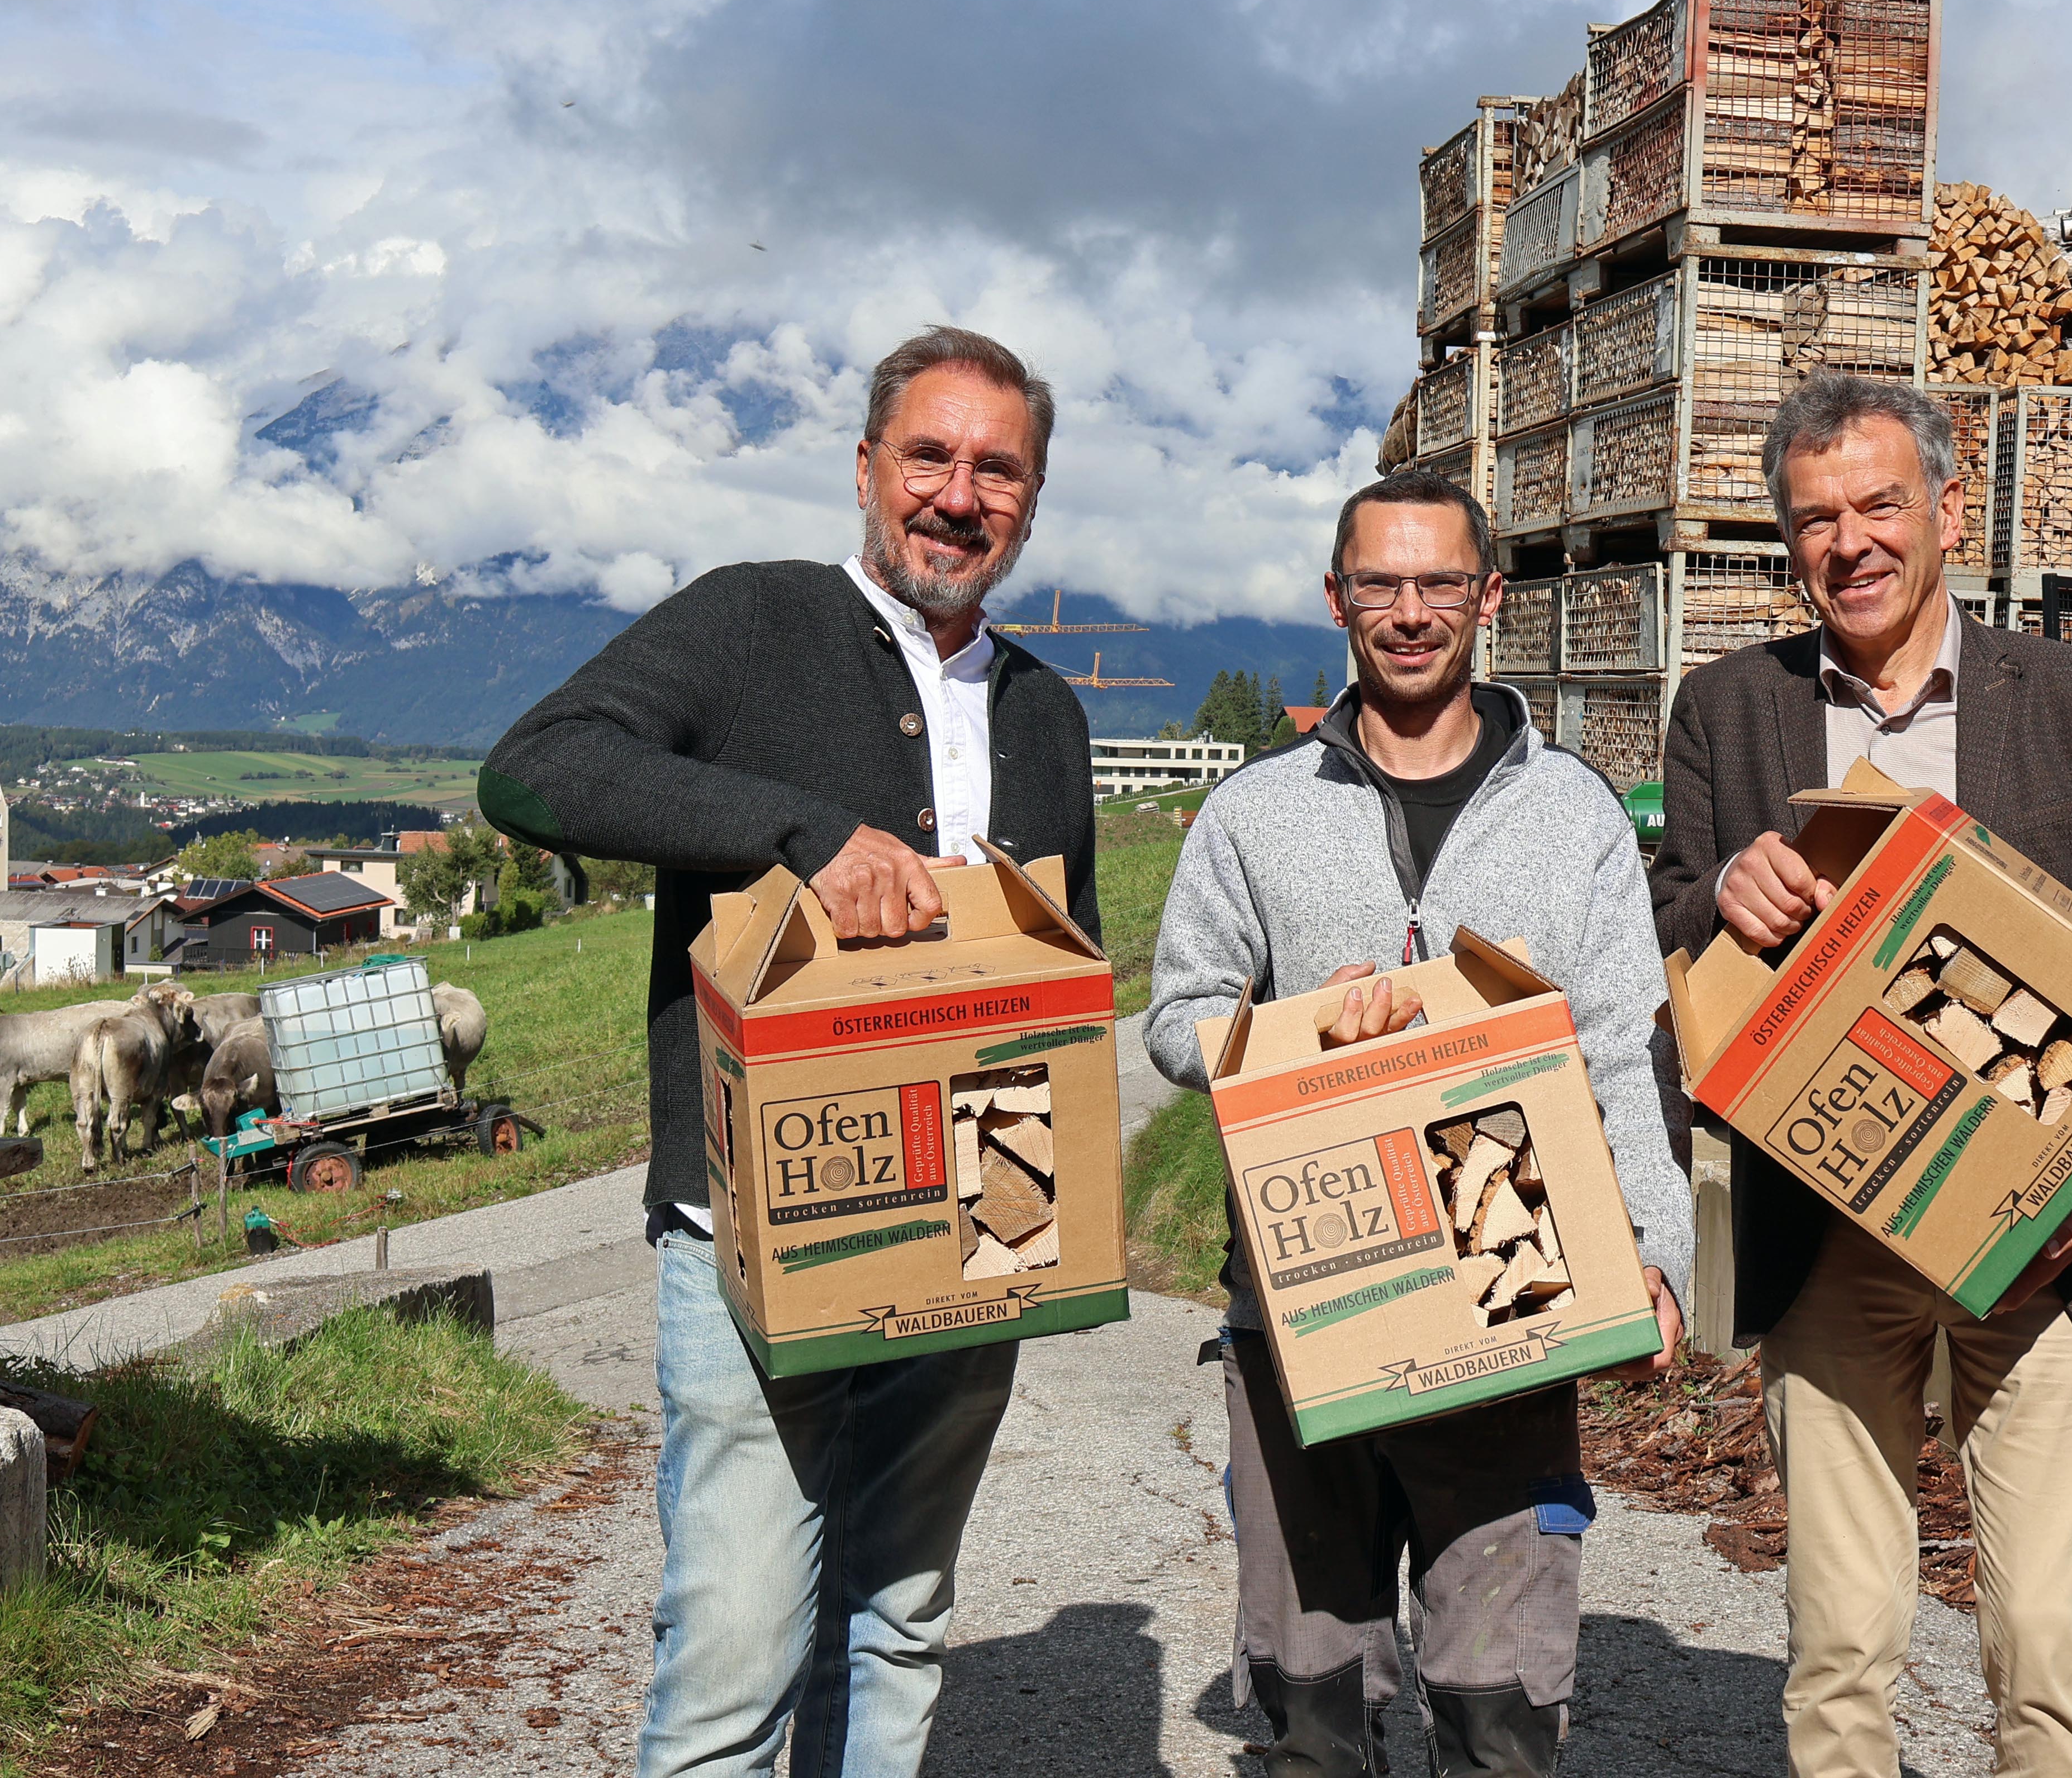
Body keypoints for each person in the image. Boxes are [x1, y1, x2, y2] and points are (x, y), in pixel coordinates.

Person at [479, 326, 1095, 1778]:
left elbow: (1067, 982)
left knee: (900, 1623)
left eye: (998, 469)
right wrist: (800, 833)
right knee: (734, 1655)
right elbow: (535, 768)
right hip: (753, 1230)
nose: (959, 496)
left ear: (1032, 496)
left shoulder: (1047, 713)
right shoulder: (754, 621)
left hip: (981, 1227)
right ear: (867, 467)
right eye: (929, 456)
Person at [1647, 372, 2072, 1778]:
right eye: (1815, 518)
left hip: (2046, 1239)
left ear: (1949, 511)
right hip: (1831, 1234)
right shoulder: (1729, 708)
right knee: (1841, 1642)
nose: (1851, 542)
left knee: (2046, 1640)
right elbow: (1663, 939)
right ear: (1789, 541)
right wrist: (1721, 895)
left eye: (1880, 504)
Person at [1145, 466, 1691, 1778]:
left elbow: (1627, 1046)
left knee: (1501, 1712)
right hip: (1303, 1308)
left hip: (1512, 1295)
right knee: (1315, 1708)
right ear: (1337, 597)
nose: (1409, 611)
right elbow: (1176, 1017)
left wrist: (1657, 1254)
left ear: (1488, 596)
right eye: (1380, 583)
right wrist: (1289, 1032)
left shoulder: (1572, 814)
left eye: (1439, 581)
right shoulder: (1255, 810)